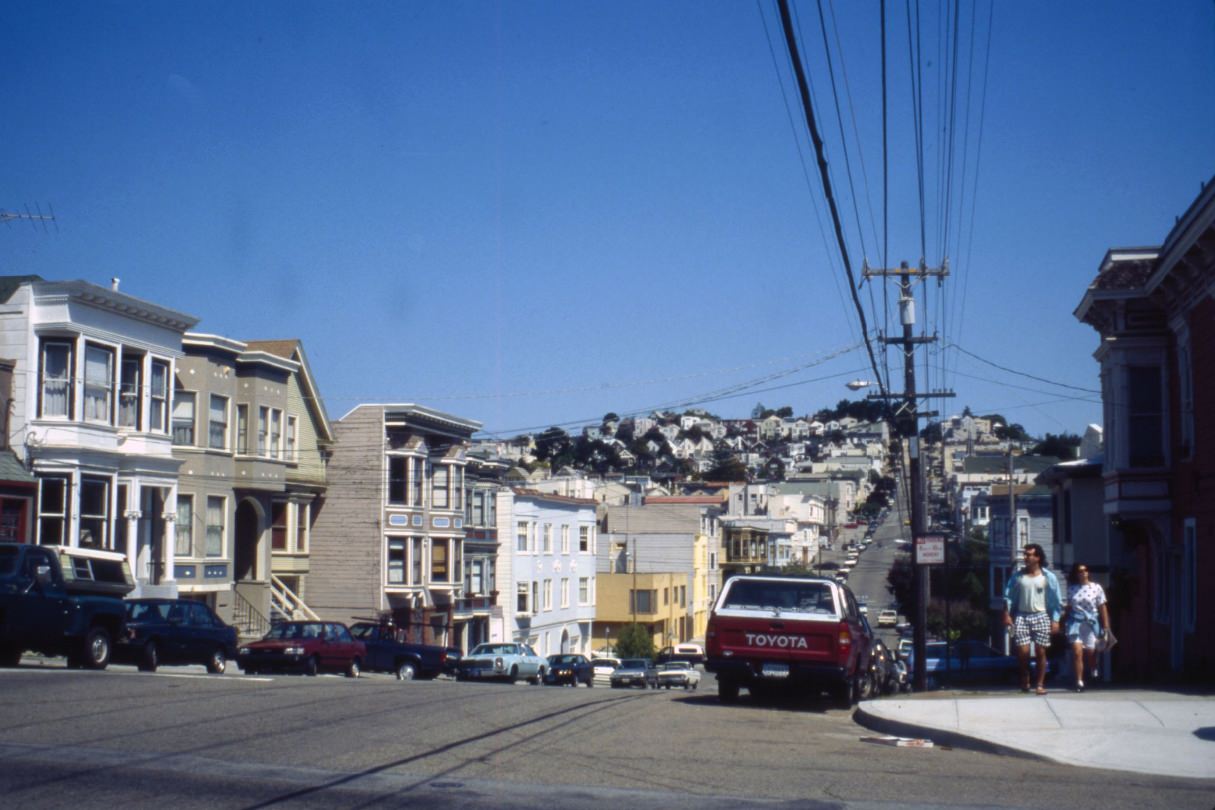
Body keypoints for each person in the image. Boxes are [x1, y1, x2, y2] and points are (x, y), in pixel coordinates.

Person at [1002, 543, 1063, 695]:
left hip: (1041, 615)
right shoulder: (1018, 577)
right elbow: (1008, 597)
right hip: (1022, 615)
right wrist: (1007, 614)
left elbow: (1056, 601)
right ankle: (1025, 676)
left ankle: (1040, 684)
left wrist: (1055, 620)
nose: (1026, 557)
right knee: (1023, 652)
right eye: (1025, 554)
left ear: (1037, 557)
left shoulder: (1048, 577)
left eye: (1029, 555)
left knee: (1040, 651)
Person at [1062, 563, 1110, 692]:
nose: (1083, 573)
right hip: (1075, 622)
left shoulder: (1096, 587)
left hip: (1090, 623)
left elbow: (1102, 607)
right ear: (1076, 574)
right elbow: (1069, 607)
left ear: (1088, 572)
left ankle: (1093, 667)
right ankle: (1079, 681)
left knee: (1091, 652)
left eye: (1085, 570)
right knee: (1077, 653)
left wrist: (1106, 626)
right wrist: (1063, 621)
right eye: (1080, 571)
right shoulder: (1072, 589)